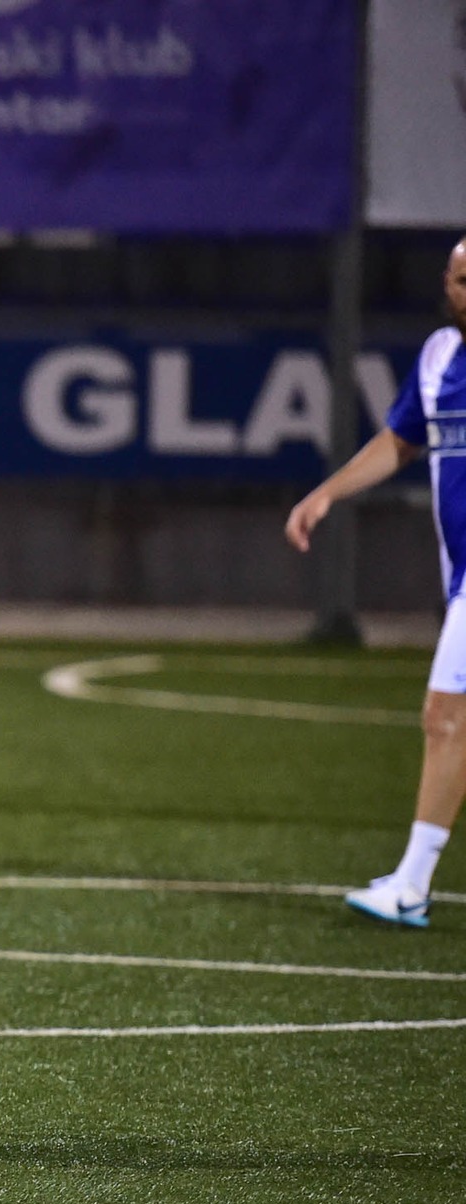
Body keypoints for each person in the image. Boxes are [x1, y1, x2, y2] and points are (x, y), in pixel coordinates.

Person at [286, 233, 466, 929]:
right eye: (458, 278)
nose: (463, 290)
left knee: (446, 716)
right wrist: (326, 493)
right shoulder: (439, 356)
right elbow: (400, 440)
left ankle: (412, 886)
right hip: (459, 575)